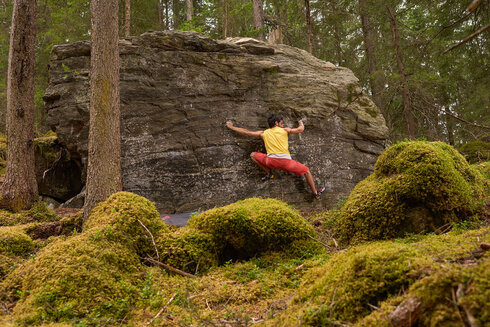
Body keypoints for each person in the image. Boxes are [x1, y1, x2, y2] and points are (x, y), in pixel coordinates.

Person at [226, 114, 325, 199]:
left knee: (252, 155)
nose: (283, 124)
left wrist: (231, 127)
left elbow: (246, 132)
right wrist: (300, 122)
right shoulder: (285, 130)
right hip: (286, 163)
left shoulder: (263, 133)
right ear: (276, 123)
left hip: (270, 162)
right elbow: (300, 129)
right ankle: (315, 193)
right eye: (282, 122)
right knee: (306, 171)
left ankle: (269, 173)